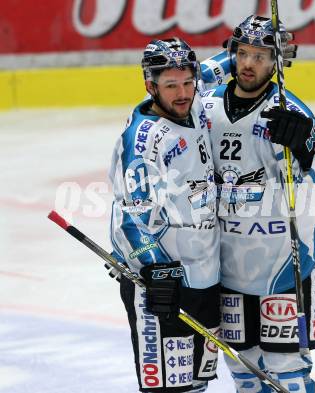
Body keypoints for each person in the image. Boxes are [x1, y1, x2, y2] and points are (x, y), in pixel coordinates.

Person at [199, 15, 315, 393]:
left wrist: (306, 151)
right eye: (242, 54)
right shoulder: (204, 106)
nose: (248, 64)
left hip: (282, 267)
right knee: (242, 368)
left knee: (288, 371)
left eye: (261, 56)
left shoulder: (291, 113)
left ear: (278, 61)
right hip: (227, 267)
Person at [109, 38, 220, 393]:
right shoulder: (142, 141)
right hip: (164, 284)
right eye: (171, 86)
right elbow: (130, 215)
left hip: (206, 272)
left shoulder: (195, 99)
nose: (183, 92)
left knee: (197, 385)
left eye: (188, 82)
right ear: (150, 85)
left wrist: (256, 51)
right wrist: (156, 269)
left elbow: (222, 67)